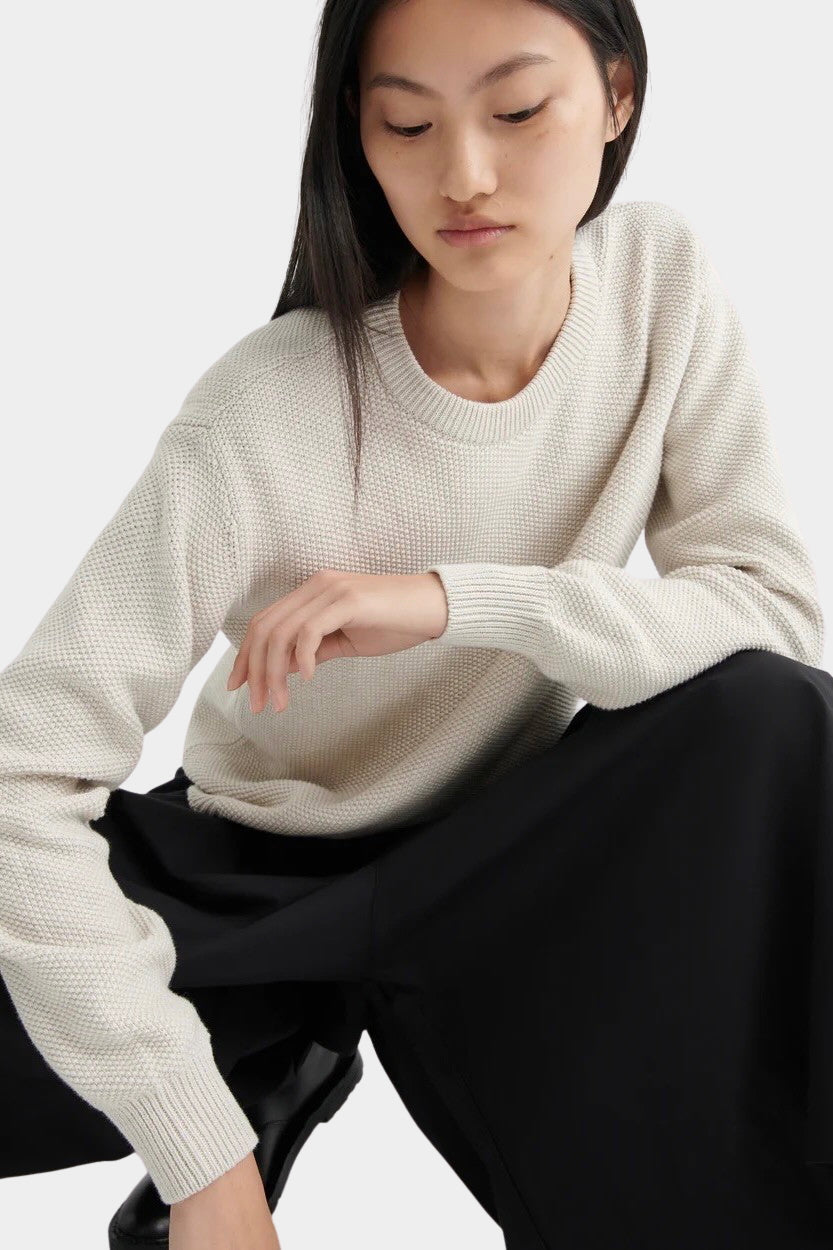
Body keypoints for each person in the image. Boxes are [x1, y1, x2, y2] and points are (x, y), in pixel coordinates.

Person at [1, 0, 831, 1248]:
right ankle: (275, 1061)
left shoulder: (658, 283)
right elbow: (23, 770)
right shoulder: (264, 412)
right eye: (405, 123)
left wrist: (455, 600)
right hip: (258, 877)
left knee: (773, 719)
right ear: (358, 134)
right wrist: (200, 1152)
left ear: (615, 98)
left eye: (514, 110)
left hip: (519, 859)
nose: (464, 175)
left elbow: (771, 608)